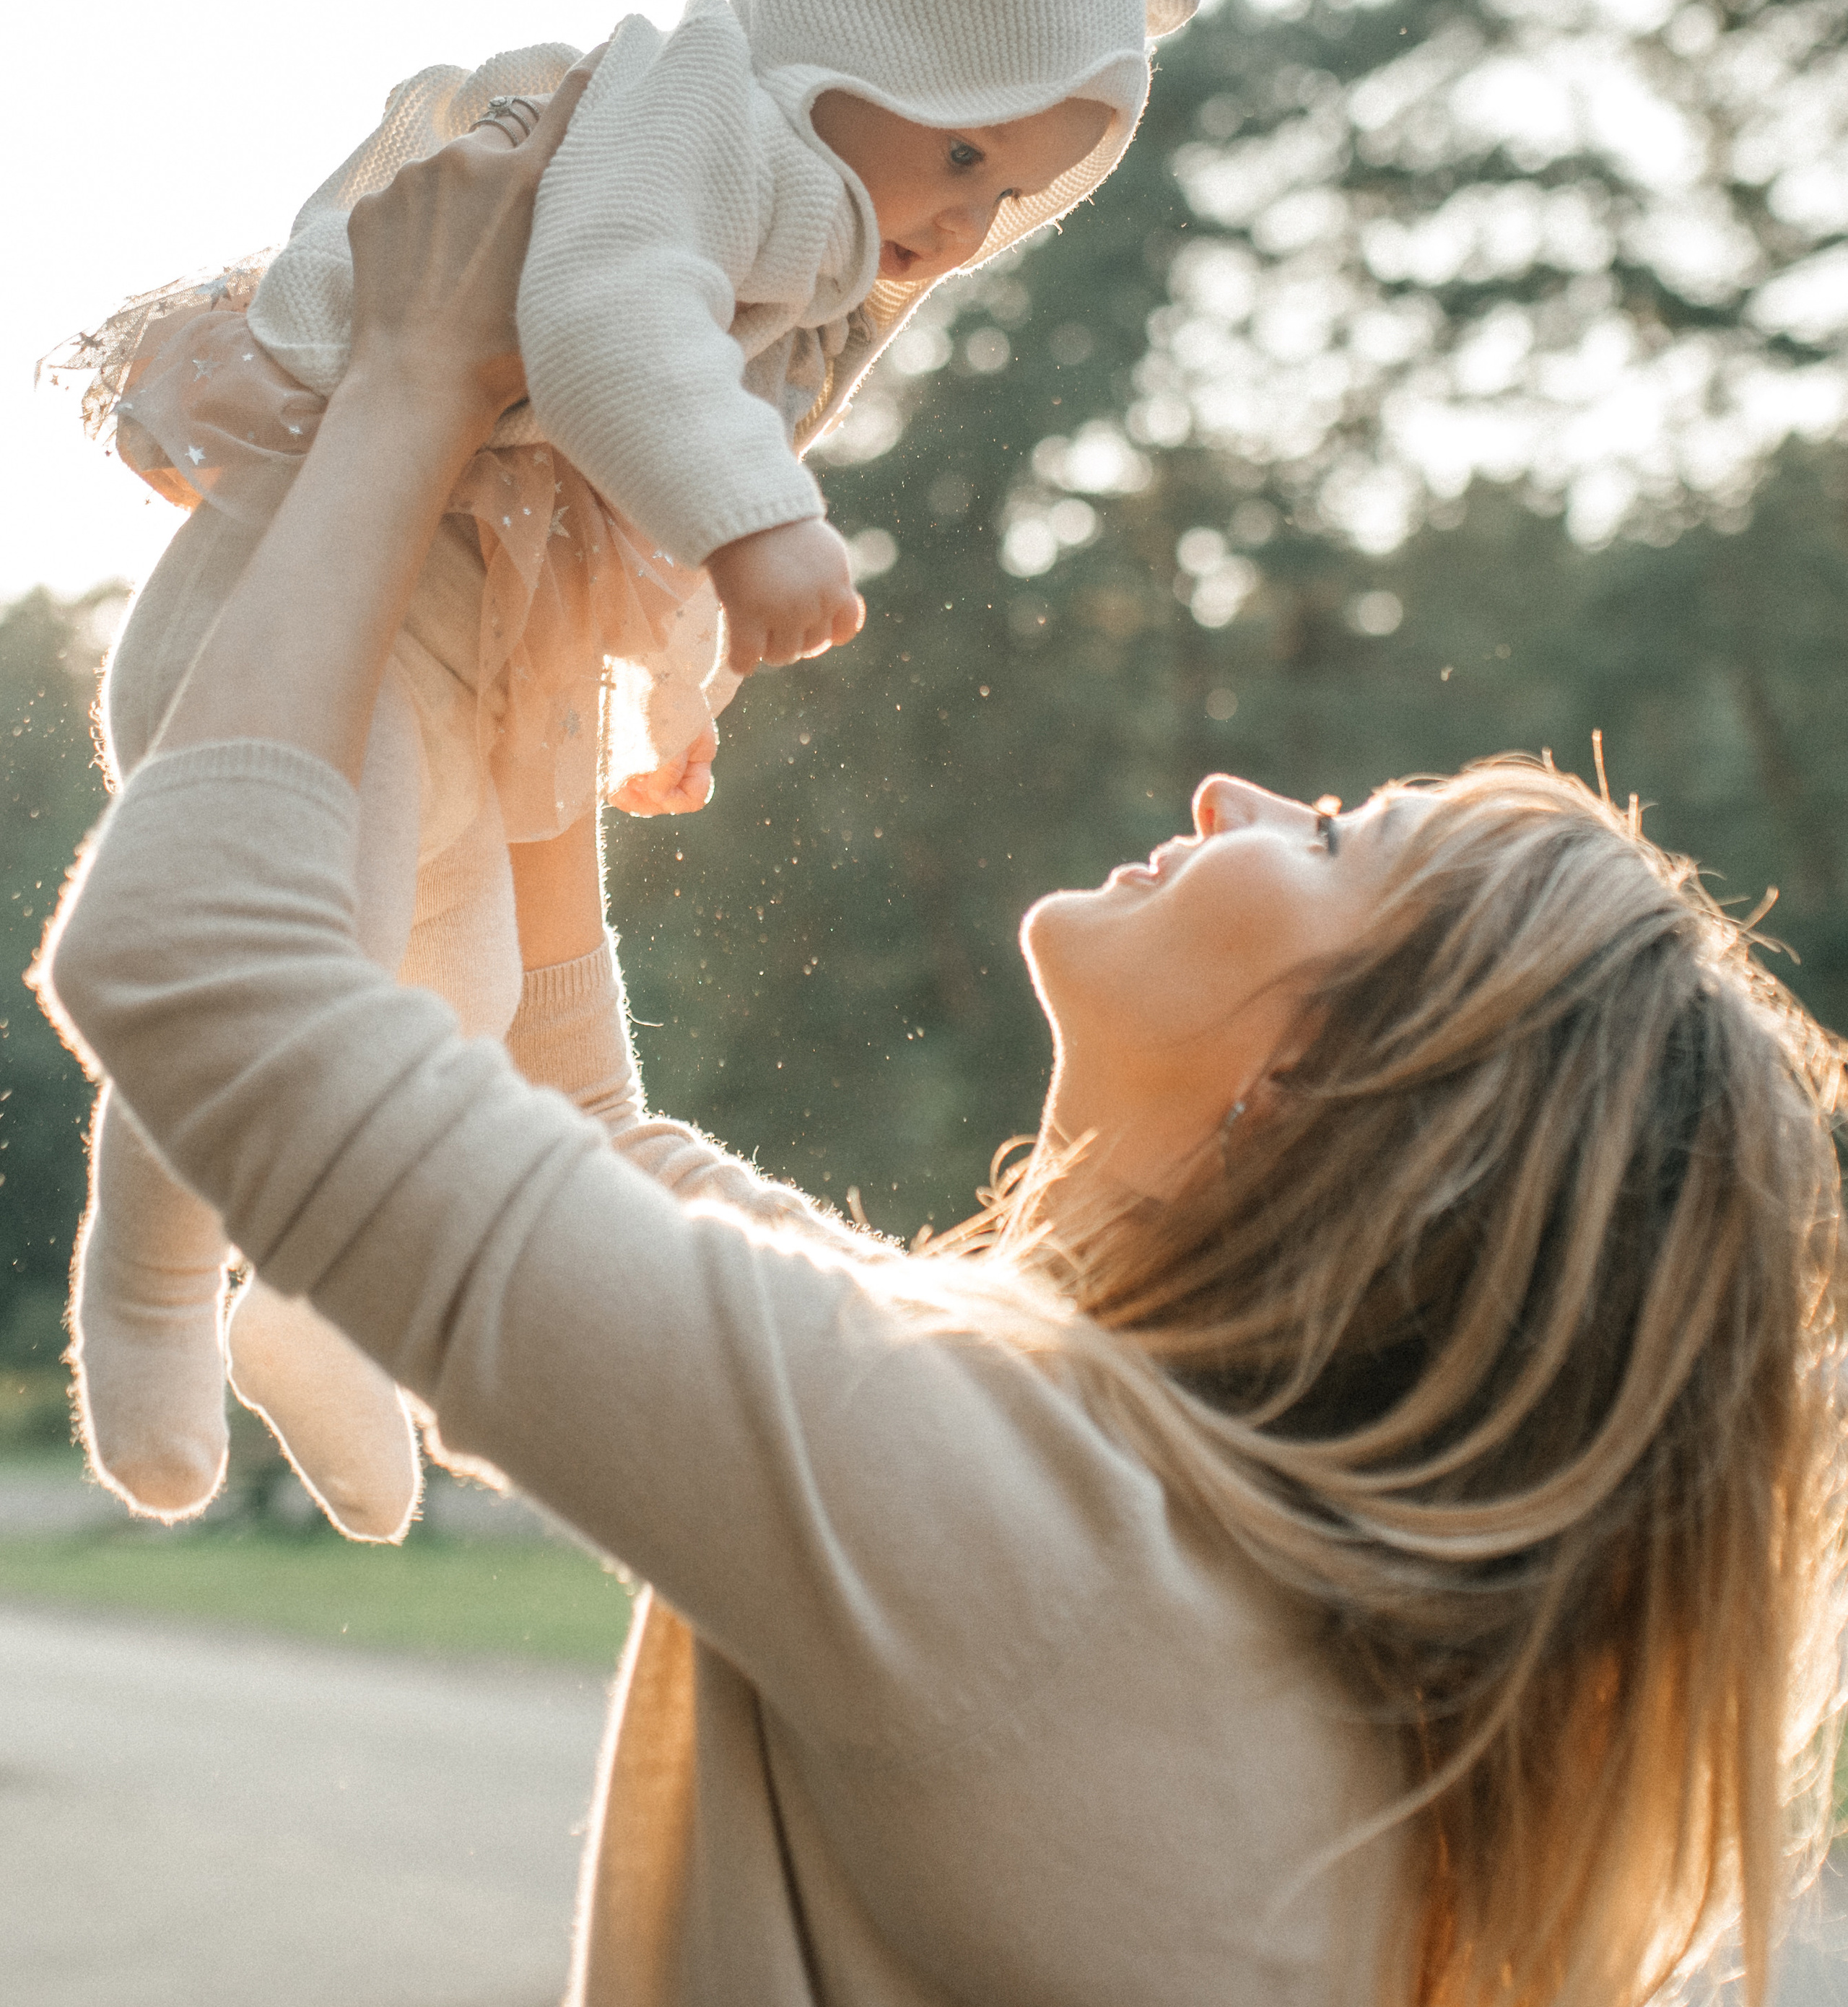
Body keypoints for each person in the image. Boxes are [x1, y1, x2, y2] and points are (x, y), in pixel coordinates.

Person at [38, 140, 1845, 2007]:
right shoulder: (1157, 1568)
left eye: (1327, 842)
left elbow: (200, 973)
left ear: (1339, 1102)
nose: (1238, 795)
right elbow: (582, 1137)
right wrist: (552, 641)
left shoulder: (1029, 1561)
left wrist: (412, 386)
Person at [48, 0, 1201, 1541]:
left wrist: (676, 664)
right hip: (325, 584)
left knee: (463, 995)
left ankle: (321, 1307)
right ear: (861, 38)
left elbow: (628, 476)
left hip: (476, 620)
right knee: (304, 942)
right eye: (964, 154)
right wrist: (759, 531)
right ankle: (156, 1285)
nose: (974, 222)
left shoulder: (814, 231)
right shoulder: (696, 106)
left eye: (1019, 186)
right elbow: (599, 330)